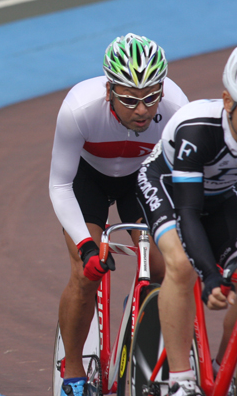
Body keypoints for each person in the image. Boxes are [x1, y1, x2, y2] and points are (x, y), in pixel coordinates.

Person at [49, 33, 189, 396]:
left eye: (150, 97)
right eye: (129, 99)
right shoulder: (79, 108)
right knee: (85, 274)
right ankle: (74, 372)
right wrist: (85, 247)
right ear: (109, 89)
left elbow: (179, 186)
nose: (142, 110)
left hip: (141, 180)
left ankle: (141, 314)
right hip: (87, 180)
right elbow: (60, 185)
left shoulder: (176, 109)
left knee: (162, 268)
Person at [135, 44, 237, 395]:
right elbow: (189, 213)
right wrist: (209, 275)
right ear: (228, 101)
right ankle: (181, 380)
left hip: (224, 192)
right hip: (167, 185)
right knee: (180, 265)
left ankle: (226, 370)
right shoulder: (198, 129)